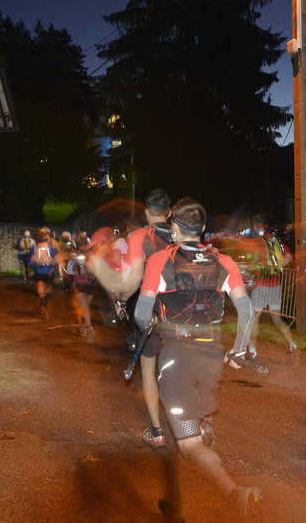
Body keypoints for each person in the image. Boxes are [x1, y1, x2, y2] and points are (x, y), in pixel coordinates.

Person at [134, 197, 260, 517]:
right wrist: (240, 347)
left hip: (177, 355)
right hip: (213, 352)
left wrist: (147, 322)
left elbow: (140, 313)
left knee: (189, 443)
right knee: (188, 427)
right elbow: (246, 309)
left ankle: (234, 494)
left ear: (174, 226)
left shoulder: (161, 260)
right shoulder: (224, 261)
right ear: (202, 229)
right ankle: (173, 496)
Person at [125, 189, 174, 448]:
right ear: (169, 213)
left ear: (146, 213)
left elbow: (132, 281)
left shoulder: (140, 237)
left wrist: (121, 298)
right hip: (183, 313)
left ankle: (157, 431)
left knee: (148, 366)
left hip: (151, 311)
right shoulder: (182, 234)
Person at [243, 217, 297, 360]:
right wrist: (277, 268)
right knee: (277, 319)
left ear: (256, 227)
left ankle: (252, 351)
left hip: (261, 284)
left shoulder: (256, 242)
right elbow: (289, 257)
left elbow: (252, 262)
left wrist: (247, 274)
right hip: (276, 284)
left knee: (255, 319)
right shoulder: (276, 241)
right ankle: (293, 346)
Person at [29, 227, 58, 319]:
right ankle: (45, 308)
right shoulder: (50, 246)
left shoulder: (36, 247)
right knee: (48, 291)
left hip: (39, 272)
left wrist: (31, 265)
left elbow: (31, 261)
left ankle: (43, 308)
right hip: (49, 272)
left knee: (41, 292)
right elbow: (55, 258)